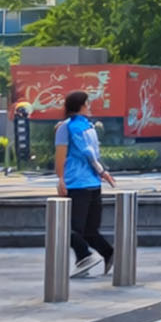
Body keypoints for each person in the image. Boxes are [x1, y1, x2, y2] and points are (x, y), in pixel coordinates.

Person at [53, 89, 118, 278]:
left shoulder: (66, 127)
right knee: (89, 230)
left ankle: (84, 256)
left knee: (67, 228)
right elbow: (93, 154)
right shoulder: (88, 127)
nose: (89, 107)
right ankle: (108, 253)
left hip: (76, 183)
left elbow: (61, 156)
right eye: (87, 104)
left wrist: (60, 179)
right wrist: (102, 172)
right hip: (93, 183)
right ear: (81, 106)